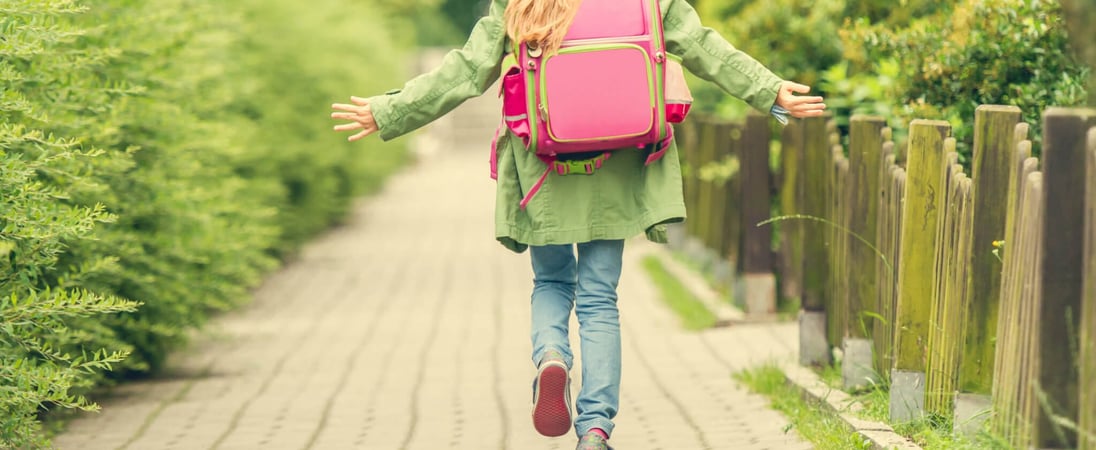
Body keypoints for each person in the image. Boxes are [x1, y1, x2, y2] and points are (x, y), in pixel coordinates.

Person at [331, 0, 825, 448]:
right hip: (618, 159)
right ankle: (594, 430)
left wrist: (388, 110)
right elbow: (705, 49)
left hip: (544, 162)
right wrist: (772, 93)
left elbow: (466, 71)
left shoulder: (521, 2)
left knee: (550, 280)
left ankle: (551, 357)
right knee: (599, 297)